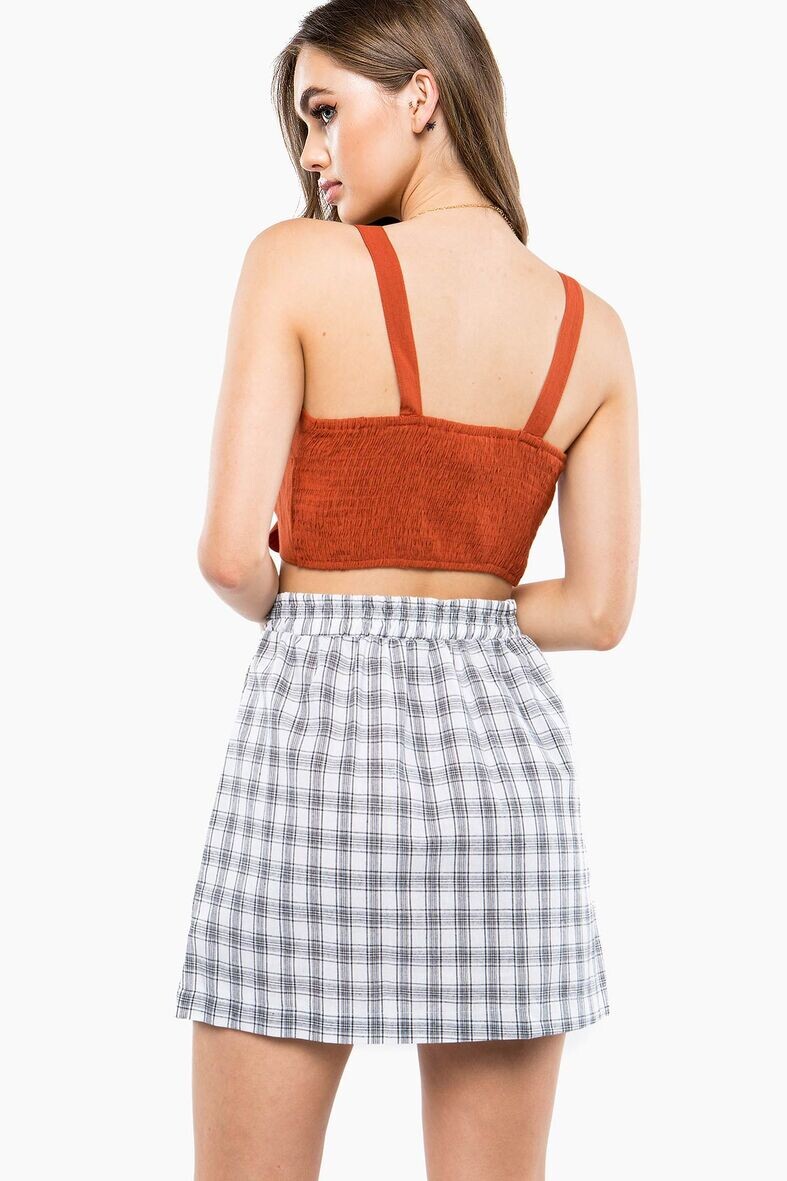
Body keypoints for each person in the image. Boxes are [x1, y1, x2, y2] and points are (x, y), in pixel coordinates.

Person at [174, 1, 640, 1176]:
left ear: (422, 96)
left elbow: (229, 554)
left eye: (325, 112)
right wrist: (460, 611)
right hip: (504, 794)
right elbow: (597, 610)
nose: (312, 154)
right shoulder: (591, 330)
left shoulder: (295, 264)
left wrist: (324, 591)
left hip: (313, 764)